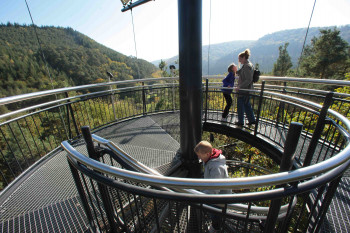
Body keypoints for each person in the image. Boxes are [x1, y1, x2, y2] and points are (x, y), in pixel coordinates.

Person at [194, 141, 232, 232]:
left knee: (215, 213)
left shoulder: (216, 167)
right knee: (215, 211)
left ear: (207, 154)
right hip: (216, 194)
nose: (198, 157)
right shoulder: (209, 159)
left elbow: (214, 188)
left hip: (219, 198)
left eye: (199, 155)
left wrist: (202, 196)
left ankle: (216, 228)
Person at [235, 49, 256, 126]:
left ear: (243, 57)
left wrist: (240, 86)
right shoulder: (246, 65)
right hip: (246, 90)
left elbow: (248, 79)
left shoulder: (247, 66)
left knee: (240, 105)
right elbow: (239, 72)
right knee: (247, 105)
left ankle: (241, 122)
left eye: (239, 58)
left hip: (244, 90)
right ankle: (252, 120)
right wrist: (234, 71)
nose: (239, 60)